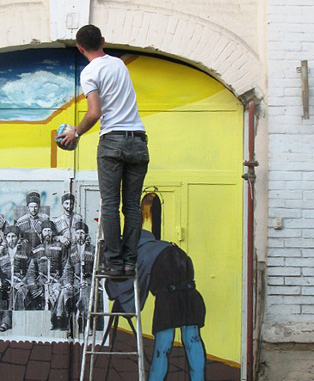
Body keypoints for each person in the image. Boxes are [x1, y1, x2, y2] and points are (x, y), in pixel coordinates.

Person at [57, 24, 149, 277]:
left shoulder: (89, 73)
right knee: (131, 206)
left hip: (112, 142)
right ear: (103, 41)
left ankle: (115, 264)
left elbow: (94, 113)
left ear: (80, 48)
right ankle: (130, 262)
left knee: (110, 204)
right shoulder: (119, 65)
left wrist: (75, 132)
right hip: (139, 141)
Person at [105, 229, 206, 381]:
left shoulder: (138, 254)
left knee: (162, 349)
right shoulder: (165, 246)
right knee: (193, 341)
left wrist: (112, 287)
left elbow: (123, 286)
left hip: (168, 300)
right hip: (190, 295)